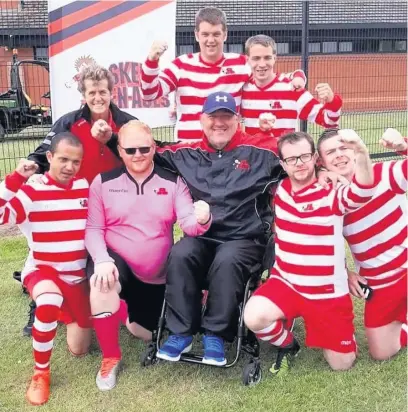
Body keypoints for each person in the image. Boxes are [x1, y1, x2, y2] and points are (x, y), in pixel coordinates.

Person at [153, 91, 332, 366]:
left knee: (228, 258)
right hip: (204, 234)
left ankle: (216, 333)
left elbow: (302, 158)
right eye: (213, 118)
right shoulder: (186, 152)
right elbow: (144, 146)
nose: (219, 123)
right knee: (180, 252)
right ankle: (180, 331)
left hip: (246, 238)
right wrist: (109, 133)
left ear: (238, 120)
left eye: (227, 117)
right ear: (202, 121)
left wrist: (324, 173)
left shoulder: (263, 150)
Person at [85, 120, 212, 390]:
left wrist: (202, 218)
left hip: (158, 279)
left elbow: (189, 224)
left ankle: (121, 313)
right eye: (130, 150)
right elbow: (93, 229)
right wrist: (102, 260)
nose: (138, 155)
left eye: (144, 148)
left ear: (154, 148)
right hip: (118, 266)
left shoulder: (173, 182)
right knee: (101, 282)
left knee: (144, 333)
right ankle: (110, 358)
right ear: (119, 150)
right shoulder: (103, 182)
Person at [243, 130, 376, 375]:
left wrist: (361, 152)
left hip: (327, 293)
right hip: (287, 283)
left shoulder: (332, 192)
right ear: (282, 164)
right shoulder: (277, 189)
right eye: (291, 159)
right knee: (253, 316)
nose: (299, 163)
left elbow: (364, 191)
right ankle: (289, 344)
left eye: (304, 156)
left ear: (315, 157)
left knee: (342, 364)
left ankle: (337, 333)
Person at [20, 65, 136, 337]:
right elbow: (44, 153)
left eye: (103, 92)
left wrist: (111, 139)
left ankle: (121, 300)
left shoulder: (127, 122)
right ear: (83, 95)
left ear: (112, 92)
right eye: (92, 92)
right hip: (73, 201)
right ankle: (38, 304)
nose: (98, 97)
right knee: (52, 247)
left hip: (114, 203)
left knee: (115, 254)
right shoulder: (68, 122)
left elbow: (139, 152)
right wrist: (31, 167)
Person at [0, 133, 92, 405]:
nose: (69, 167)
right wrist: (16, 178)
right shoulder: (32, 189)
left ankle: (62, 314)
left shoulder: (84, 186)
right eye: (63, 159)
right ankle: (41, 373)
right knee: (49, 300)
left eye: (75, 161)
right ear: (50, 157)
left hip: (76, 278)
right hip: (44, 270)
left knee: (80, 350)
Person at [140, 6, 306, 143]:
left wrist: (298, 76)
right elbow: (149, 93)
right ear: (197, 35)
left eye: (216, 34)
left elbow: (270, 77)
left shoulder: (241, 65)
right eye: (205, 34)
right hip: (190, 149)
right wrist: (151, 61)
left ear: (225, 35)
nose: (210, 40)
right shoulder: (181, 65)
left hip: (229, 150)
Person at [317, 127, 407, 361]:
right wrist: (346, 273)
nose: (339, 155)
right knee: (381, 353)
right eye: (331, 152)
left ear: (355, 149)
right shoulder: (330, 197)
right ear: (322, 162)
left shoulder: (386, 173)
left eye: (343, 147)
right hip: (379, 281)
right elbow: (322, 245)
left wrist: (403, 147)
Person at [241, 34, 342, 137]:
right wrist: (298, 74)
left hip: (284, 152)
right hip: (253, 153)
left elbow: (328, 122)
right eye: (256, 58)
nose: (262, 64)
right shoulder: (242, 88)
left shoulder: (291, 88)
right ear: (247, 59)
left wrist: (332, 101)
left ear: (275, 58)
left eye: (267, 58)